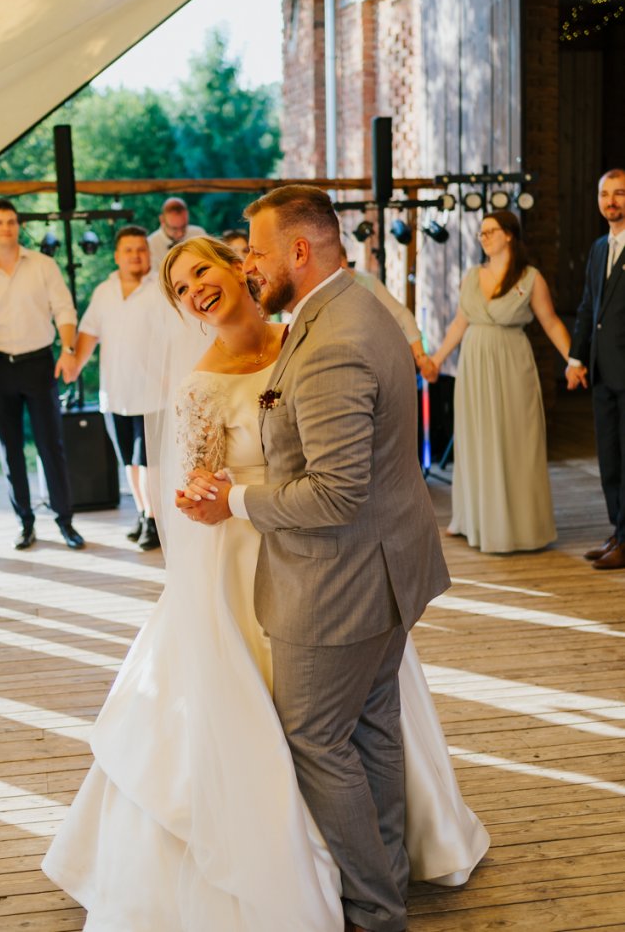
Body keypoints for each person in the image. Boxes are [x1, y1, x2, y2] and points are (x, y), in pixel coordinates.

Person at [43, 227, 488, 931]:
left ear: (236, 265)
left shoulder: (306, 339)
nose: (195, 290)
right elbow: (196, 477)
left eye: (201, 272)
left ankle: (381, 870)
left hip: (334, 553)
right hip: (244, 557)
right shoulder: (199, 384)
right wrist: (198, 495)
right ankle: (314, 871)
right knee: (285, 721)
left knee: (367, 716)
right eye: (181, 289)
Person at [178, 189, 454, 932]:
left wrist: (233, 501)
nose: (247, 264)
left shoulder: (332, 339)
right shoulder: (356, 303)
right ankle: (387, 885)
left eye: (256, 251)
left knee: (315, 739)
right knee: (373, 727)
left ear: (299, 251)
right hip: (385, 567)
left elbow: (334, 493)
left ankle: (375, 910)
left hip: (338, 582)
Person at [430, 209, 572, 553]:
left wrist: (574, 360)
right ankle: (471, 519)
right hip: (475, 365)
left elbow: (551, 321)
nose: (484, 238)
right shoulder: (471, 276)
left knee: (516, 439)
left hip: (511, 362)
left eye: (490, 231)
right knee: (476, 437)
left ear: (509, 234)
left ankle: (520, 526)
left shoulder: (530, 278)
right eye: (481, 233)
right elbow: (459, 324)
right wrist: (436, 359)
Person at [0, 199, 85, 551]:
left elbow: (64, 310)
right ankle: (25, 522)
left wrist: (68, 350)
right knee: (10, 450)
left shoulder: (43, 266)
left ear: (18, 226)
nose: (6, 227)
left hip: (39, 363)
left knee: (51, 445)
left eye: (11, 221)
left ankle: (65, 521)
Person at [68, 226, 162, 550]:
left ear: (149, 254)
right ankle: (142, 513)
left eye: (141, 249)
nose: (136, 255)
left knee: (147, 462)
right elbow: (88, 333)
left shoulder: (162, 289)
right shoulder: (104, 291)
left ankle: (154, 520)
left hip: (153, 394)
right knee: (130, 462)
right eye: (129, 250)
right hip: (115, 394)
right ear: (117, 256)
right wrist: (73, 366)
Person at [566, 168, 625, 569]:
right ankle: (618, 531)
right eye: (605, 194)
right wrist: (576, 358)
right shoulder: (599, 248)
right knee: (610, 458)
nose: (611, 201)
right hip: (603, 371)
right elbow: (589, 307)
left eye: (619, 193)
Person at [339, 240, 436, 377]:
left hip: (370, 363)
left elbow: (403, 315)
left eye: (341, 262)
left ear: (345, 260)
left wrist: (421, 356)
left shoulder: (367, 282)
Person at [146, 196, 205, 269]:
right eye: (174, 229)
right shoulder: (150, 245)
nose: (180, 234)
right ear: (162, 220)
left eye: (183, 227)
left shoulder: (199, 234)